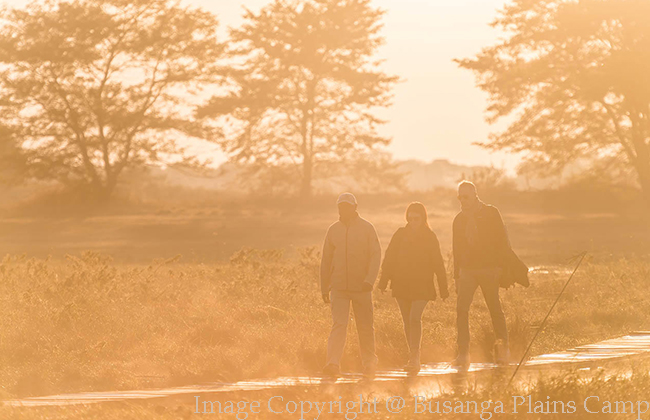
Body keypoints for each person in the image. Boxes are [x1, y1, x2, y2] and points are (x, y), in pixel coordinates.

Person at [378, 202, 449, 374]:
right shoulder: (400, 234)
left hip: (422, 286)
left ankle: (415, 358)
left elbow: (438, 263)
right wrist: (383, 281)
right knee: (407, 321)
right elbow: (389, 257)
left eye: (416, 218)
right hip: (401, 284)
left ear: (423, 218)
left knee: (414, 318)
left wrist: (443, 287)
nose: (413, 221)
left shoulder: (429, 236)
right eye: (410, 218)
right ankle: (412, 357)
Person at [320, 192, 381, 377]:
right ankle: (332, 364)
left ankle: (369, 363)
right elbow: (326, 259)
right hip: (338, 288)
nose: (343, 209)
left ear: (355, 207)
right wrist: (324, 286)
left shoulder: (367, 228)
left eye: (347, 206)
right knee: (339, 325)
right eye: (341, 206)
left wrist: (370, 280)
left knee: (365, 326)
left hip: (362, 287)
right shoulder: (333, 230)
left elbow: (375, 255)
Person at [452, 180, 510, 367]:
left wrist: (502, 267)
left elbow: (502, 240)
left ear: (475, 195)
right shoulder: (459, 220)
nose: (462, 200)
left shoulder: (491, 213)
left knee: (494, 308)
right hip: (467, 270)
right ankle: (463, 353)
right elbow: (456, 250)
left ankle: (502, 349)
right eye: (459, 197)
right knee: (461, 310)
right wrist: (456, 276)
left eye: (466, 197)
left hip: (488, 268)